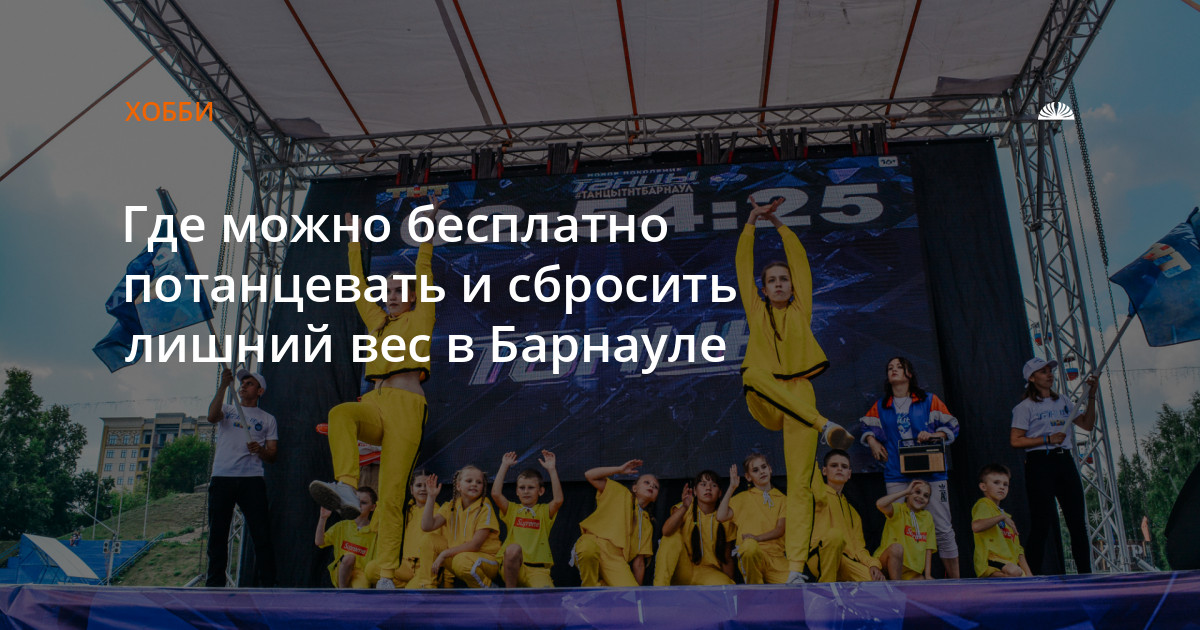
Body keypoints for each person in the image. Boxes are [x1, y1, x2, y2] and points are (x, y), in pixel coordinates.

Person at [308, 196, 440, 589]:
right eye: (388, 290)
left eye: (400, 290)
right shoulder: (378, 324)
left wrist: (429, 225)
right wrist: (354, 240)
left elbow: (424, 268)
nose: (392, 295)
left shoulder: (422, 316)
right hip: (376, 402)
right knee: (340, 414)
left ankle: (385, 574)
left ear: (413, 296)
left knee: (392, 493)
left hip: (407, 407)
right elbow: (356, 286)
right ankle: (347, 486)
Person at [736, 195, 855, 585]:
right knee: (752, 372)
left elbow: (800, 261)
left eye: (783, 280)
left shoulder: (801, 309)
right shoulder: (757, 310)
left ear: (792, 286)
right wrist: (752, 222)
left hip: (799, 398)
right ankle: (825, 425)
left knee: (800, 485)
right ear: (763, 288)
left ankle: (795, 570)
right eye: (771, 280)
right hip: (766, 397)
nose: (779, 284)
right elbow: (742, 266)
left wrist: (779, 224)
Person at [861, 356, 962, 577]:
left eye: (899, 366)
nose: (894, 370)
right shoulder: (882, 405)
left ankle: (955, 582)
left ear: (910, 373)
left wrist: (933, 435)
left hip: (932, 472)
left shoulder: (929, 400)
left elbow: (952, 425)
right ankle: (903, 580)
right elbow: (866, 426)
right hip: (897, 473)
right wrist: (872, 440)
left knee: (943, 527)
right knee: (897, 527)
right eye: (890, 367)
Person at [1010, 357, 1098, 575]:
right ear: (1032, 378)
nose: (1049, 374)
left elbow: (1087, 425)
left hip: (1064, 461)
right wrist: (1047, 439)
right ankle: (1032, 577)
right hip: (1040, 462)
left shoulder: (1064, 401)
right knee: (1041, 522)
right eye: (1043, 371)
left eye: (1050, 370)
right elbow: (1016, 440)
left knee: (1077, 521)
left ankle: (1085, 574)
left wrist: (1092, 396)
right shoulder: (1024, 407)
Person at [205, 367, 278, 587]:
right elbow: (211, 417)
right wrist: (222, 386)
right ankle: (214, 585)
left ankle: (268, 585)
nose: (244, 386)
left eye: (250, 383)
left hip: (251, 479)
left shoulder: (268, 419)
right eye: (242, 383)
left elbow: (273, 455)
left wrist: (260, 450)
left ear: (260, 391)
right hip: (223, 476)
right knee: (217, 534)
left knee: (261, 534)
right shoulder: (228, 409)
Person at [572, 460, 659, 587]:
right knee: (587, 550)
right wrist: (619, 469)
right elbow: (590, 475)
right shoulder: (619, 491)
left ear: (656, 497)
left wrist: (638, 592)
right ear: (634, 488)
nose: (651, 486)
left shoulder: (647, 524)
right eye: (646, 482)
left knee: (630, 594)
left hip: (616, 559)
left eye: (655, 487)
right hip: (592, 542)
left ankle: (599, 589)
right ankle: (589, 590)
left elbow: (639, 563)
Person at [806, 449, 885, 583]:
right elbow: (809, 470)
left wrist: (873, 564)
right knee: (834, 536)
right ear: (824, 471)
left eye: (844, 466)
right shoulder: (818, 494)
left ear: (849, 474)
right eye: (834, 465)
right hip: (820, 556)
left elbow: (859, 548)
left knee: (875, 583)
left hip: (846, 561)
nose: (839, 469)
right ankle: (827, 589)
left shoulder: (853, 512)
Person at [491, 450, 564, 588]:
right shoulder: (512, 510)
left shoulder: (544, 511)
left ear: (540, 491)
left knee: (547, 596)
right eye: (522, 488)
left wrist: (552, 469)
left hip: (538, 571)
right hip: (513, 568)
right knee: (513, 549)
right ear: (517, 491)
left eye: (531, 487)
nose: (526, 491)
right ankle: (510, 595)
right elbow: (496, 494)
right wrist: (504, 465)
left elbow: (558, 500)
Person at [421, 465, 501, 588]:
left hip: (487, 561)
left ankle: (490, 589)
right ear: (458, 486)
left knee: (461, 561)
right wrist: (431, 497)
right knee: (429, 539)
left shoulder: (485, 507)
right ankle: (427, 587)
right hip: (458, 557)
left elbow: (475, 545)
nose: (474, 484)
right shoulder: (451, 506)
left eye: (479, 482)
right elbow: (427, 526)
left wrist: (445, 553)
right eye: (469, 481)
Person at [654, 470, 736, 586]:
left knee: (726, 586)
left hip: (708, 572)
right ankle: (659, 589)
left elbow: (727, 558)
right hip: (683, 569)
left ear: (720, 493)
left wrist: (729, 587)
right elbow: (666, 531)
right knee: (671, 537)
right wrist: (684, 507)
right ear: (695, 491)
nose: (708, 488)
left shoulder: (725, 518)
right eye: (703, 484)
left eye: (713, 485)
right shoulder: (685, 509)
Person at [716, 454, 787, 584]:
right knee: (749, 546)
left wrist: (757, 538)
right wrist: (732, 487)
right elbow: (720, 516)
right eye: (755, 470)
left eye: (763, 467)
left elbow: (780, 529)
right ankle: (754, 590)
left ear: (770, 469)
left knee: (794, 588)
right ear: (748, 477)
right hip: (752, 553)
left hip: (776, 558)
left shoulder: (783, 499)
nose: (761, 472)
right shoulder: (742, 497)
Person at [971, 463, 1031, 578]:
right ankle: (988, 577)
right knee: (1015, 572)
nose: (1002, 487)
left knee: (1020, 575)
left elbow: (1018, 550)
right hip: (990, 561)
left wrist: (1029, 574)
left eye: (1005, 484)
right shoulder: (984, 504)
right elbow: (976, 526)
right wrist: (1001, 517)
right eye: (996, 482)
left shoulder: (1007, 517)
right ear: (983, 487)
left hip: (1009, 565)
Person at [315, 486, 378, 588]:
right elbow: (319, 542)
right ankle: (342, 591)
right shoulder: (342, 526)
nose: (359, 505)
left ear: (373, 507)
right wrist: (323, 518)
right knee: (349, 558)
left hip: (361, 574)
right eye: (356, 501)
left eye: (363, 503)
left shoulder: (375, 531)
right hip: (341, 572)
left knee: (361, 589)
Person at [873, 480, 937, 580]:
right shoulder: (898, 509)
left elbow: (929, 548)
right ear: (908, 495)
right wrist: (905, 491)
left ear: (928, 501)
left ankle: (897, 585)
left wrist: (928, 575)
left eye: (926, 495)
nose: (921, 497)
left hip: (908, 572)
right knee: (897, 548)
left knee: (921, 580)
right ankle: (896, 586)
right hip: (886, 564)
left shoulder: (927, 517)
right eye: (917, 492)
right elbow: (880, 504)